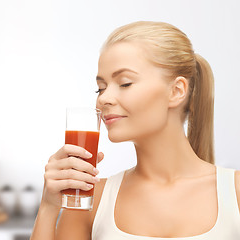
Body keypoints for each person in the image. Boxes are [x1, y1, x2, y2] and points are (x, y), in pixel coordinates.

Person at [30, 21, 240, 240]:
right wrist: (47, 207)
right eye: (100, 88)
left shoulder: (235, 194)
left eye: (125, 83)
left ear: (177, 91)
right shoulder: (90, 199)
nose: (103, 98)